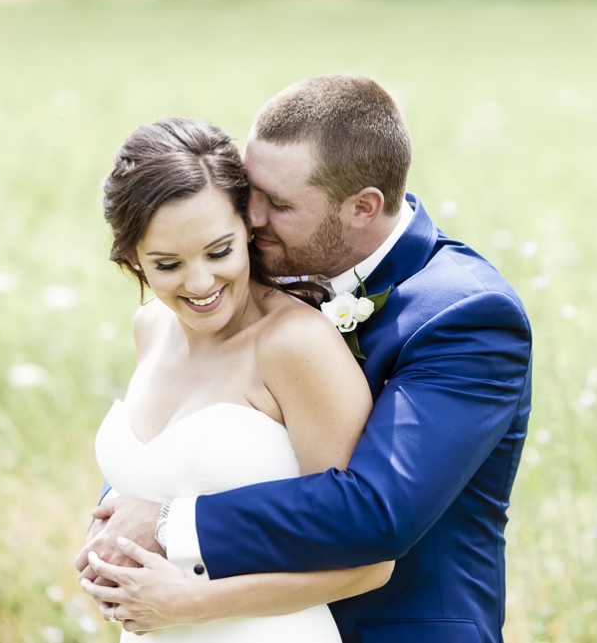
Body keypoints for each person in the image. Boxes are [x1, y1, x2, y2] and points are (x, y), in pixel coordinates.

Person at [77, 75, 533, 643]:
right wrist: (118, 518)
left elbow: (376, 513)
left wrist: (170, 520)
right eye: (249, 192)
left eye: (278, 204)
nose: (252, 218)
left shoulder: (466, 316)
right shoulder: (239, 277)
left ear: (362, 207)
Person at [81, 116, 393, 639]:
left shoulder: (296, 345)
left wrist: (192, 604)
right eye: (167, 263)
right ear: (131, 255)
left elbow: (368, 562)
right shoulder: (150, 327)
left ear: (249, 227)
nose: (200, 283)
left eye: (219, 251)